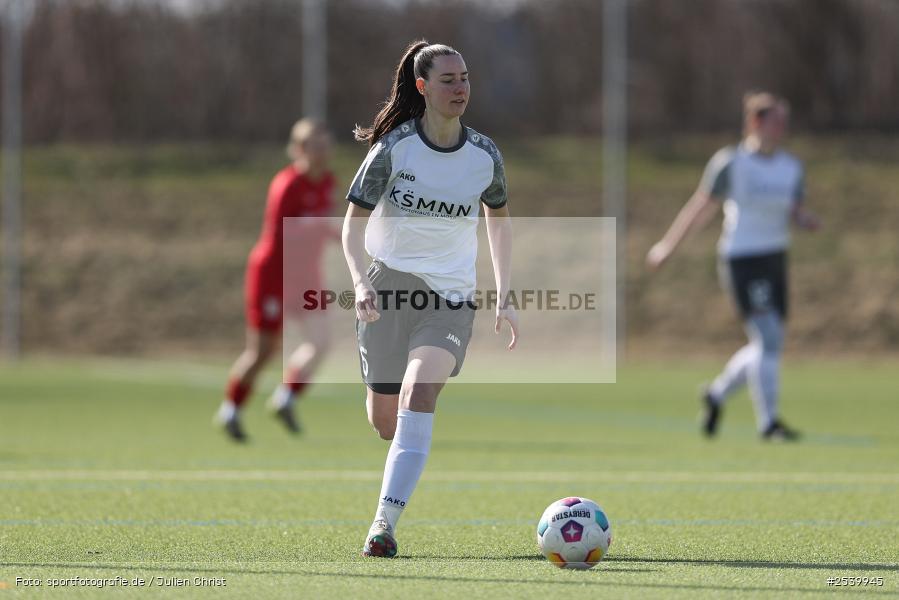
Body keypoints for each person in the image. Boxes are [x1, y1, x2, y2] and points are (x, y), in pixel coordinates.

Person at [343, 40, 518, 557]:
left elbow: (499, 220)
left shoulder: (484, 155)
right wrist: (359, 281)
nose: (460, 88)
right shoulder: (393, 148)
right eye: (448, 80)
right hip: (387, 291)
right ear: (422, 87)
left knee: (419, 394)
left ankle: (383, 525)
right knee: (385, 423)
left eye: (465, 78)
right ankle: (392, 476)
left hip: (450, 298)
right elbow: (350, 226)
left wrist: (504, 290)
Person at [646, 91, 820, 441]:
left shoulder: (791, 168)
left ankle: (717, 395)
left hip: (775, 258)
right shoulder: (731, 163)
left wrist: (804, 219)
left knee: (766, 344)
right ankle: (768, 424)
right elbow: (701, 207)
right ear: (755, 122)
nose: (782, 128)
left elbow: (795, 210)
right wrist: (668, 245)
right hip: (742, 258)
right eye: (776, 121)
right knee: (769, 338)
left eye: (784, 122)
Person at [215, 119, 337, 442]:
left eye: (325, 145)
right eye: (315, 145)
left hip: (307, 274)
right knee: (263, 351)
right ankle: (231, 410)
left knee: (322, 340)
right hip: (274, 273)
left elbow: (327, 225)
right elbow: (284, 233)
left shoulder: (328, 182)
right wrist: (317, 226)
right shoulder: (287, 184)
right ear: (299, 149)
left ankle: (286, 398)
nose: (322, 151)